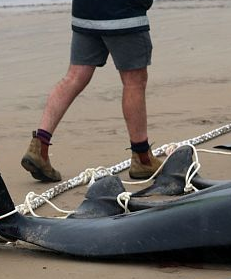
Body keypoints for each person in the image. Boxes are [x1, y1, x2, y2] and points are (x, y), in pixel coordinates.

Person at [21, 0, 163, 183]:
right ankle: (142, 157)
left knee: (74, 77)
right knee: (134, 82)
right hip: (122, 13)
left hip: (85, 12)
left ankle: (39, 147)